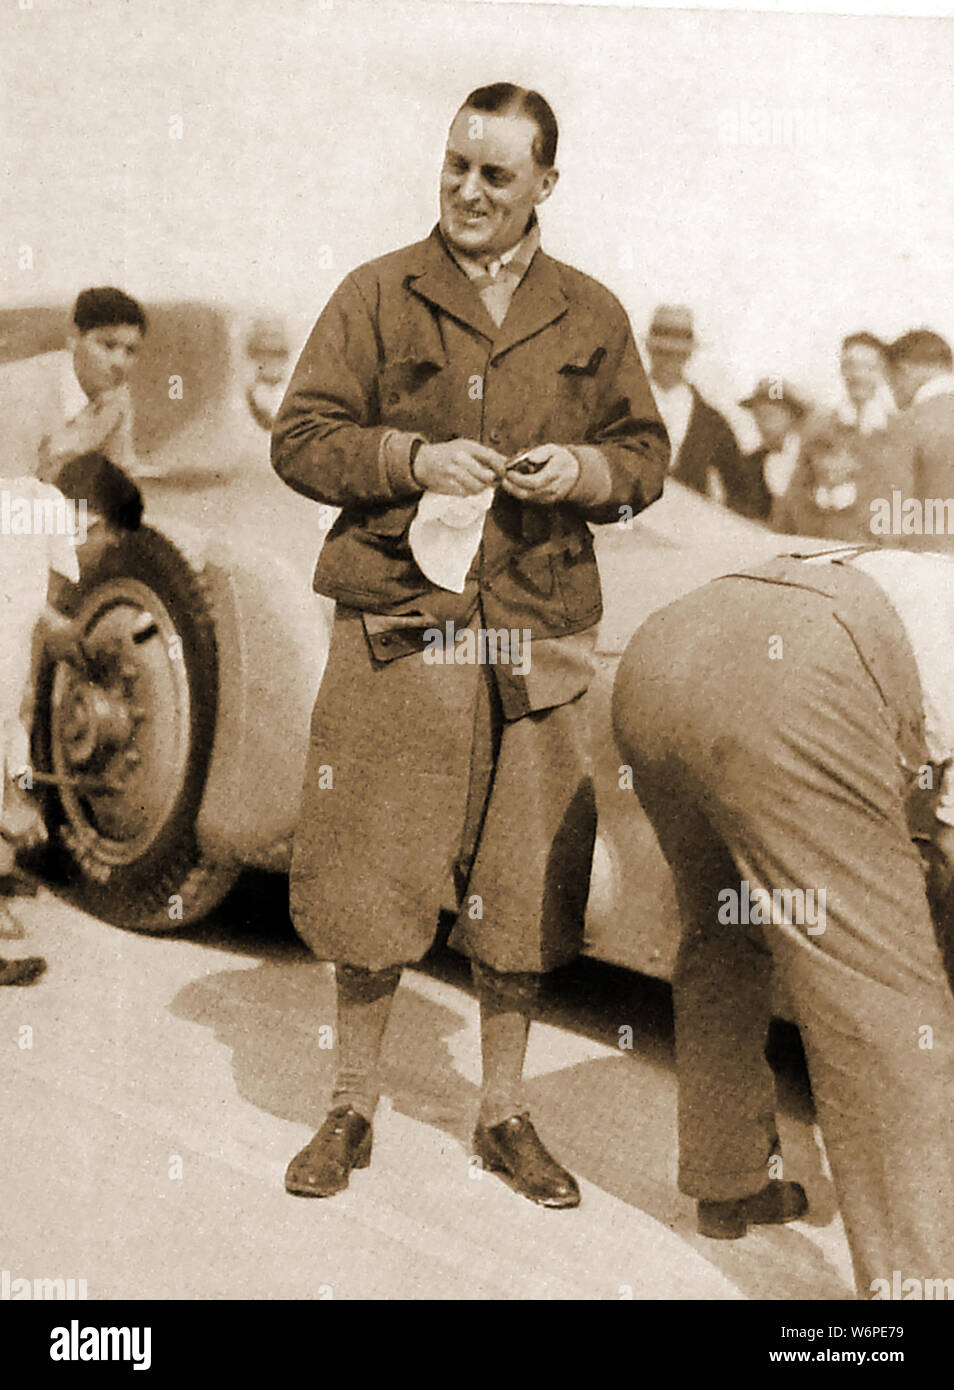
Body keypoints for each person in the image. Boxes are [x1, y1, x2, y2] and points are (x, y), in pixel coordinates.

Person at [272, 82, 667, 1206]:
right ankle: (350, 1103)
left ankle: (501, 1113)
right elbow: (300, 436)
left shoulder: (591, 312)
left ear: (546, 183)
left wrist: (584, 474)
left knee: (524, 880)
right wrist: (408, 460)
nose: (468, 189)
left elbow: (642, 454)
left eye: (497, 173)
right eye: (456, 165)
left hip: (536, 627)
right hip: (403, 625)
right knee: (368, 866)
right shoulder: (378, 293)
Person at [612, 543, 954, 1297]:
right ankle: (920, 1291)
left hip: (665, 655)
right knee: (891, 1008)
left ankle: (728, 1178)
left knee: (725, 931)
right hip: (798, 680)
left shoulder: (923, 572)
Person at [0, 287, 148, 529]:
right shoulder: (22, 393)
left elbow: (121, 481)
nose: (119, 362)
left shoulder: (116, 393)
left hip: (46, 513)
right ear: (74, 338)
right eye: (108, 345)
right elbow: (11, 501)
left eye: (130, 350)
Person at [644, 304, 745, 510]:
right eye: (662, 351)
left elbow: (741, 491)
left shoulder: (711, 422)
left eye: (677, 353)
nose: (669, 360)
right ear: (650, 349)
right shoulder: (620, 406)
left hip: (688, 531)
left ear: (688, 355)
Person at [877, 330, 954, 550]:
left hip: (930, 565)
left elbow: (892, 517)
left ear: (904, 371)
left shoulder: (909, 425)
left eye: (891, 383)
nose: (893, 392)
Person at [737, 377, 808, 524]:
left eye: (770, 415)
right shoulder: (751, 462)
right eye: (758, 415)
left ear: (792, 415)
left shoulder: (810, 456)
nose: (762, 424)